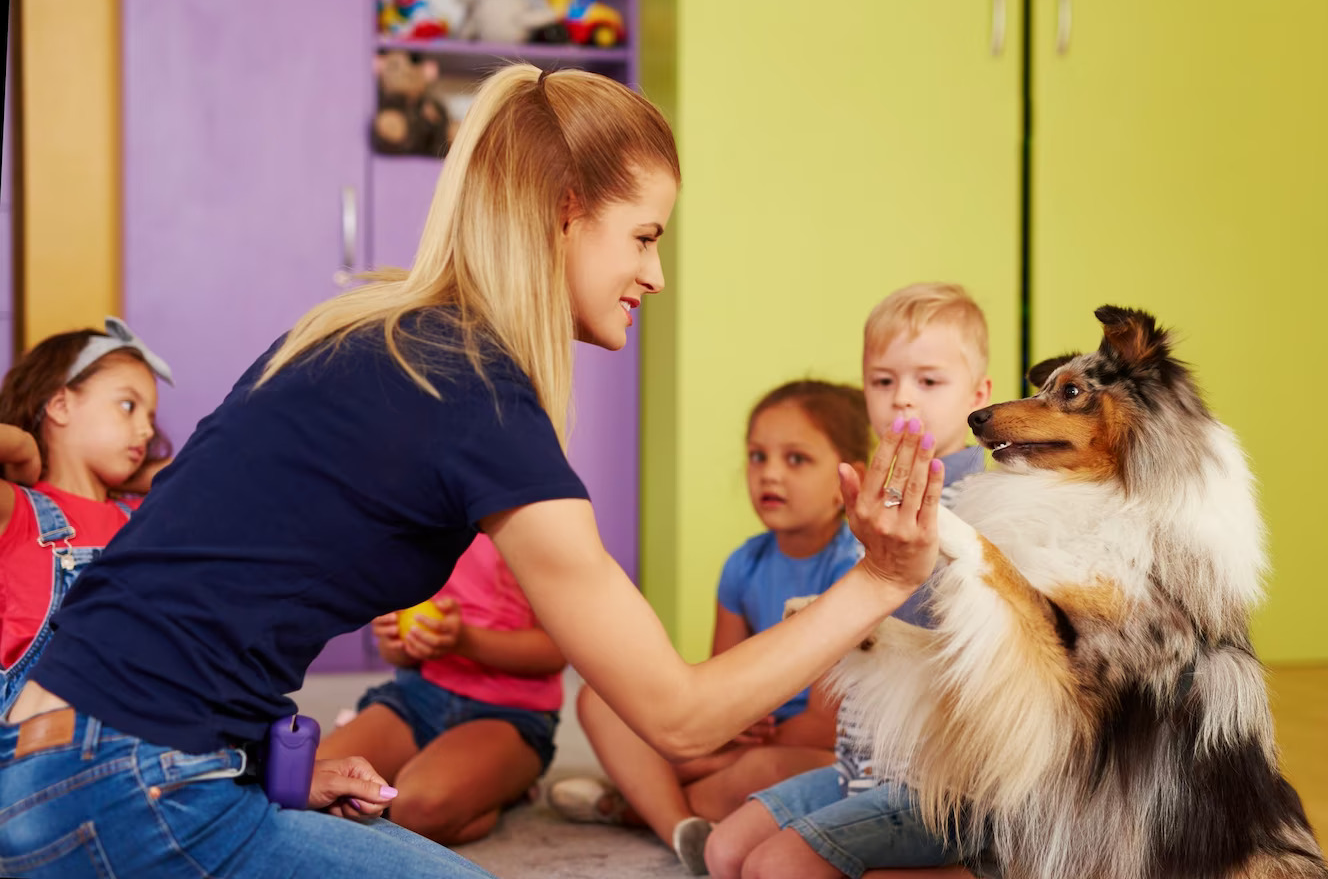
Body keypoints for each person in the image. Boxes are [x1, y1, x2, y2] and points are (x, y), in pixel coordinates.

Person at [0, 64, 945, 879]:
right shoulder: (477, 394)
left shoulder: (361, 333)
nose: (656, 275)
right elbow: (680, 715)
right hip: (134, 784)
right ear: (564, 213)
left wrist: (255, 757)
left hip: (48, 752)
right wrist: (881, 577)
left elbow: (184, 571)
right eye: (646, 237)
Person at [704, 283, 994, 879]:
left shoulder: (988, 506)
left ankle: (989, 866)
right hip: (861, 760)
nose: (902, 400)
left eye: (929, 382)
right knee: (725, 852)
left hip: (939, 780)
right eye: (883, 381)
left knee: (779, 868)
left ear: (978, 395)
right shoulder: (871, 499)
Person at [548, 379, 873, 873]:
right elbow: (719, 682)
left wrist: (724, 752)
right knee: (601, 701)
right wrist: (727, 734)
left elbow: (827, 727)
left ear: (849, 479)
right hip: (750, 737)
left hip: (817, 750)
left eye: (797, 459)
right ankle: (682, 827)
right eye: (757, 456)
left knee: (759, 771)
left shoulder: (854, 569)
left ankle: (638, 804)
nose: (770, 475)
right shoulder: (743, 565)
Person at [316, 534, 566, 845]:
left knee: (416, 811)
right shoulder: (412, 526)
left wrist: (464, 641)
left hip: (508, 712)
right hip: (418, 695)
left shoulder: (528, 529)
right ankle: (445, 776)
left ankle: (503, 788)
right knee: (314, 787)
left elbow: (556, 652)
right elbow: (397, 655)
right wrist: (396, 640)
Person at [0, 317, 174, 717]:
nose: (146, 431)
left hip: (143, 745)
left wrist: (144, 474)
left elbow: (217, 478)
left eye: (150, 417)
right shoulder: (18, 510)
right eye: (128, 405)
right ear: (60, 405)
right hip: (42, 749)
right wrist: (23, 445)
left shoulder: (144, 517)